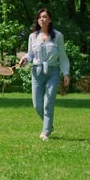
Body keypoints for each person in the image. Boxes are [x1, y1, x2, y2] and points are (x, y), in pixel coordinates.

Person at [19, 8, 70, 142]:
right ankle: (49, 125)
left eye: (45, 17)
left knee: (48, 102)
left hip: (53, 71)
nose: (42, 19)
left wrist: (66, 73)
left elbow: (63, 56)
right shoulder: (33, 36)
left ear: (50, 19)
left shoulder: (58, 36)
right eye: (40, 17)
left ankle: (46, 131)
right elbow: (30, 54)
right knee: (37, 105)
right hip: (37, 72)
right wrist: (24, 58)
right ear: (38, 20)